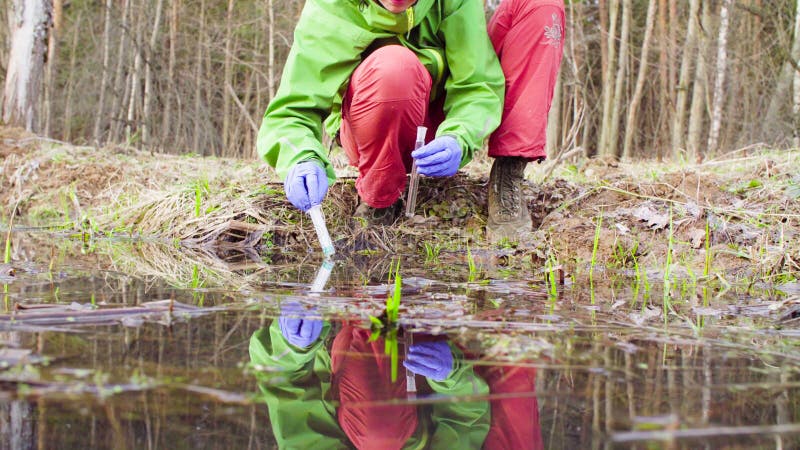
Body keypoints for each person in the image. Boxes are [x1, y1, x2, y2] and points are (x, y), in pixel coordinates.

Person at [257, 0, 565, 242]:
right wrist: (301, 157)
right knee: (395, 68)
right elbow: (294, 109)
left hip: (441, 124)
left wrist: (460, 135)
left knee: (539, 4)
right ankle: (380, 197)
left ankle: (508, 176)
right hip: (373, 120)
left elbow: (477, 84)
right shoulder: (331, 6)